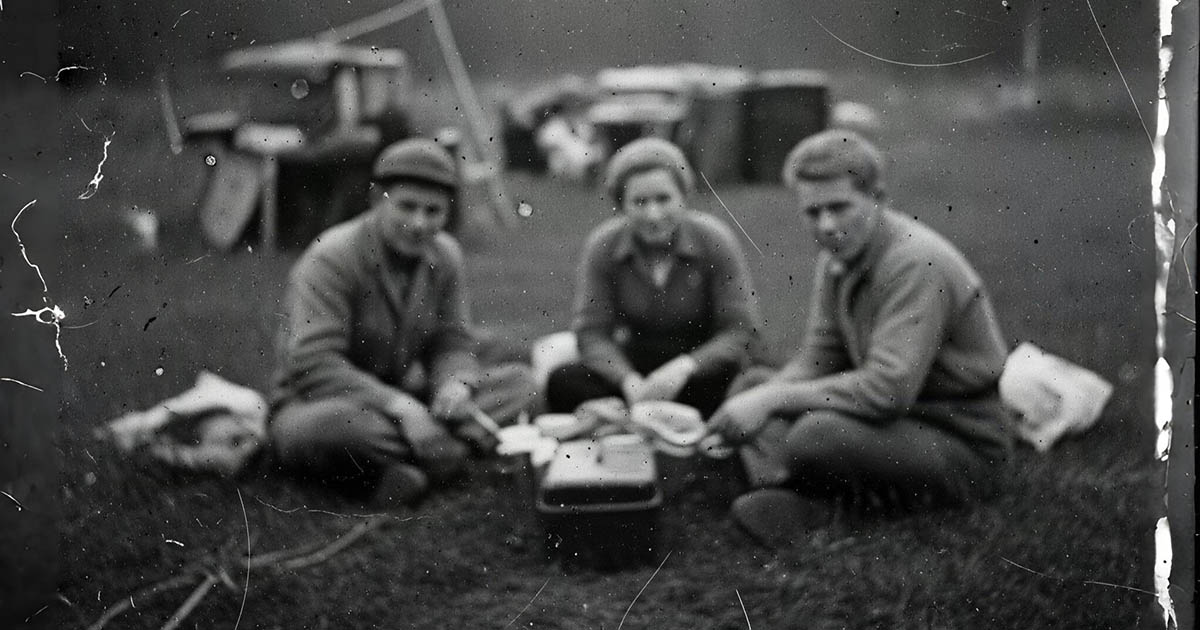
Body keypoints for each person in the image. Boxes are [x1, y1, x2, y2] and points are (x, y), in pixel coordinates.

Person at [708, 129, 1014, 546]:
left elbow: (887, 390)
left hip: (958, 439)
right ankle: (795, 490)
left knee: (814, 433)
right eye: (812, 213)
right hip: (893, 426)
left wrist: (770, 403)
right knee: (752, 383)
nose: (827, 225)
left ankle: (830, 508)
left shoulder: (915, 263)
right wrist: (756, 400)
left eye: (839, 207)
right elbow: (818, 359)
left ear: (877, 197)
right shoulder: (840, 257)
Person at [269, 138, 537, 507]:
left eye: (434, 211)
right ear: (377, 198)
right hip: (326, 402)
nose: (419, 223)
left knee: (523, 385)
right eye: (406, 207)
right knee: (337, 431)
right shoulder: (331, 258)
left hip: (407, 394)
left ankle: (413, 463)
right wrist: (401, 408)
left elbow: (452, 342)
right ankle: (449, 450)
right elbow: (313, 364)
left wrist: (454, 386)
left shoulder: (445, 256)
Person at [545, 138, 762, 419]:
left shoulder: (714, 239)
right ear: (621, 205)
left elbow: (741, 330)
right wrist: (628, 381)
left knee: (745, 385)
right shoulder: (604, 246)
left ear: (683, 198)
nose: (653, 214)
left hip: (699, 366)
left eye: (663, 199)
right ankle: (634, 418)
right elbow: (591, 332)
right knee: (563, 382)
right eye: (640, 202)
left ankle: (640, 419)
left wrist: (683, 368)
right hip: (638, 363)